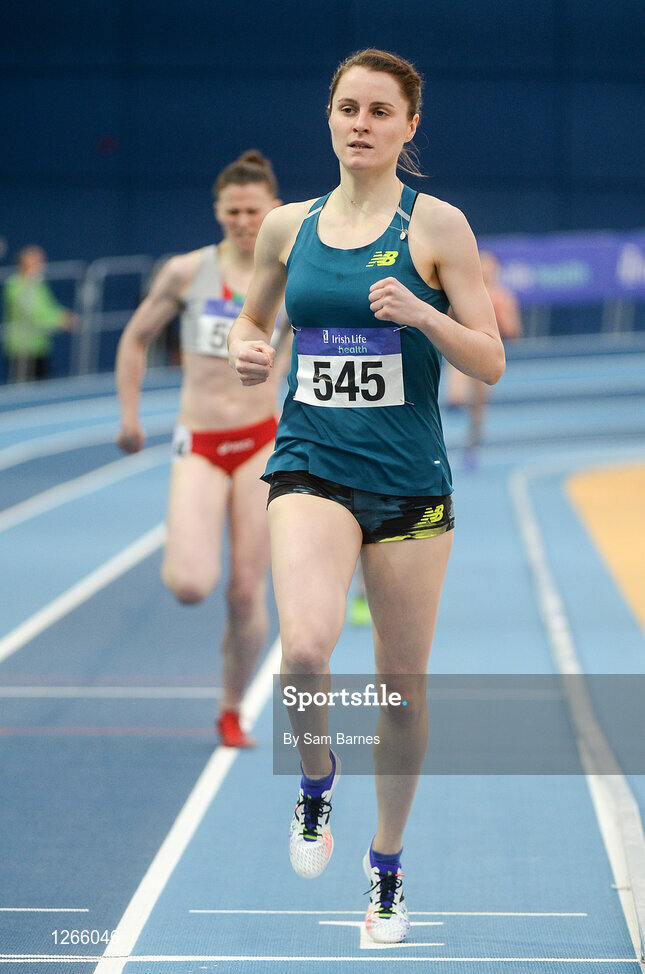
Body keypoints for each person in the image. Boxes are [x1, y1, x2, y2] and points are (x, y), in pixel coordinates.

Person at [228, 50, 504, 942]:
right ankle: (316, 781)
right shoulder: (283, 227)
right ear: (329, 116)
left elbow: (490, 361)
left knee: (401, 690)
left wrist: (423, 314)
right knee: (306, 649)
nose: (361, 124)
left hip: (410, 485)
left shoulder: (440, 229)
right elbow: (251, 316)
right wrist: (246, 346)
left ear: (408, 125)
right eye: (348, 108)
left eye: (380, 111)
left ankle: (384, 865)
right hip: (310, 462)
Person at [116, 150, 288, 747]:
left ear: (273, 210)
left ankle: (230, 707)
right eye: (233, 210)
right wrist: (130, 416)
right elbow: (135, 338)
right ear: (218, 211)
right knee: (191, 584)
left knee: (246, 588)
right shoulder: (186, 273)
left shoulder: (292, 273)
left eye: (254, 210)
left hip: (260, 445)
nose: (243, 221)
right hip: (200, 441)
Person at [445, 249, 522, 461]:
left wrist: (501, 319)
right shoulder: (463, 294)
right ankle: (455, 399)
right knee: (457, 390)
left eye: (490, 268)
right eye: (483, 267)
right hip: (463, 346)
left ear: (496, 271)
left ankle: (473, 441)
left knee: (478, 405)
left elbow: (514, 332)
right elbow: (448, 318)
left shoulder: (504, 297)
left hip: (485, 352)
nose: (486, 272)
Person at [2, 245, 78, 382]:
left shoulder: (39, 283)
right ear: (25, 263)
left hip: (40, 346)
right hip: (21, 348)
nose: (42, 264)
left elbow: (49, 306)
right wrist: (59, 321)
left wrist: (63, 315)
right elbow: (32, 312)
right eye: (37, 261)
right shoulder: (14, 285)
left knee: (42, 385)